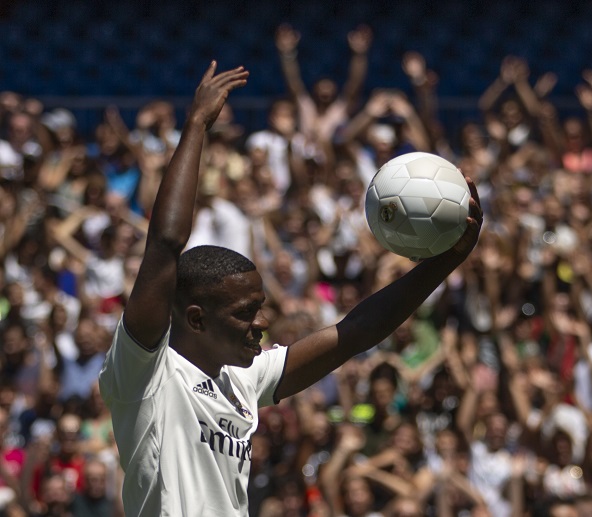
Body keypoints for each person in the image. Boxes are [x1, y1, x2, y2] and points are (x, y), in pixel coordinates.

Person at [98, 62, 482, 516]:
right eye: (245, 312)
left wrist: (447, 261)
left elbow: (354, 332)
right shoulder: (145, 373)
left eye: (259, 307)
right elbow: (164, 245)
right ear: (196, 318)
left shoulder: (243, 376)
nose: (262, 321)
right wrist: (197, 124)